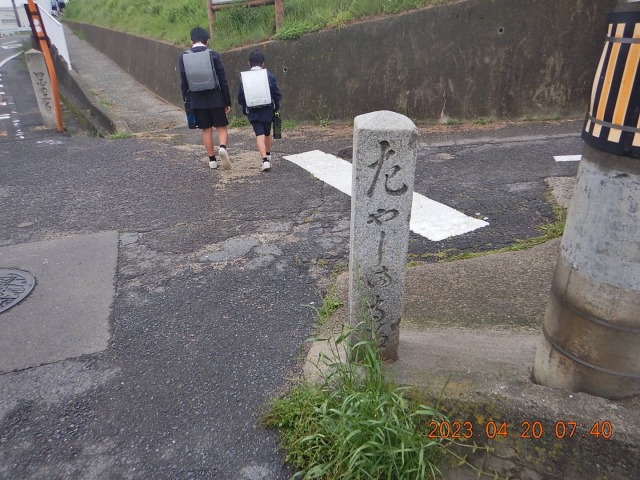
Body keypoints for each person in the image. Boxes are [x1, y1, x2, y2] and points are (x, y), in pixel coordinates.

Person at [179, 27, 231, 170]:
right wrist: (227, 101)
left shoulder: (183, 57)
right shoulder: (213, 55)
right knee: (221, 127)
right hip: (216, 98)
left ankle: (212, 160)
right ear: (207, 41)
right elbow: (223, 79)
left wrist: (187, 100)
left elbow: (183, 82)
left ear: (191, 41)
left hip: (197, 100)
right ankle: (222, 148)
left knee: (206, 130)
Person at [238, 49, 281, 172]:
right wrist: (276, 106)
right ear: (263, 63)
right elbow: (276, 93)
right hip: (268, 110)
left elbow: (241, 96)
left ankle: (264, 160)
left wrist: (244, 108)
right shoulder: (269, 76)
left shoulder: (244, 78)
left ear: (248, 63)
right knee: (267, 133)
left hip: (253, 110)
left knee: (259, 135)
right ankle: (268, 154)